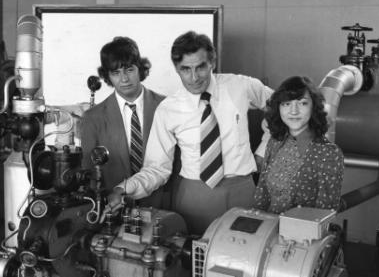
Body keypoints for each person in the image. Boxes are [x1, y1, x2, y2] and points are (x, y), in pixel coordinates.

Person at [105, 31, 274, 235]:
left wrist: (264, 151)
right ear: (176, 69)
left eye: (200, 67)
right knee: (192, 261)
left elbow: (282, 109)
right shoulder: (168, 109)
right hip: (195, 198)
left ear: (212, 62)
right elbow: (157, 169)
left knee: (245, 259)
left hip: (242, 191)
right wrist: (123, 188)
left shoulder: (241, 86)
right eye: (185, 69)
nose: (194, 78)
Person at [81, 37, 165, 207]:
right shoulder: (92, 118)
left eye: (129, 70)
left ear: (140, 69)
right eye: (116, 73)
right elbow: (89, 173)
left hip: (163, 207)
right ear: (107, 77)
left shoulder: (165, 107)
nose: (124, 79)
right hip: (114, 210)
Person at [253, 76, 344, 214]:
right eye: (286, 104)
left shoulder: (329, 154)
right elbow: (262, 195)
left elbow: (324, 215)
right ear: (279, 108)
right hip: (268, 230)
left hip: (303, 233)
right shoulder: (275, 142)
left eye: (302, 103)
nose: (293, 111)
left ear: (313, 107)